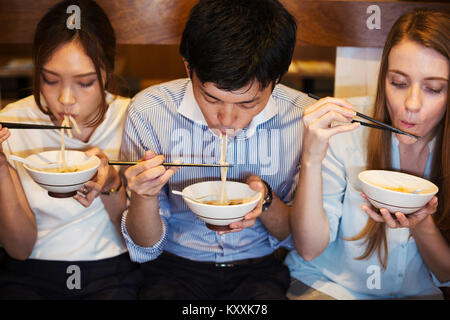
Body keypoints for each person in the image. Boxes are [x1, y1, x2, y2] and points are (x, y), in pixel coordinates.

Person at [120, 0, 314, 299]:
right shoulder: (150, 111)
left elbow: (300, 242)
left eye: (248, 103)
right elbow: (145, 245)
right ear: (188, 66)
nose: (226, 119)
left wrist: (264, 200)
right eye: (211, 99)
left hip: (260, 268)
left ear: (275, 80)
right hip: (174, 267)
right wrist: (143, 195)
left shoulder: (303, 118)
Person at [285, 9, 450, 300]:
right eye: (398, 83)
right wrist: (311, 157)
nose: (411, 104)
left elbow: (446, 275)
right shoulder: (346, 130)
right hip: (330, 286)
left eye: (434, 89)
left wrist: (422, 223)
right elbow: (310, 248)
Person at [0, 0, 140, 299]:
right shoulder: (11, 123)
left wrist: (112, 183)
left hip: (111, 267)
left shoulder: (133, 118)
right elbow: (20, 249)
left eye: (85, 83)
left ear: (107, 73)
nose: (65, 99)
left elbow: (138, 241)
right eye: (50, 80)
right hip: (31, 270)